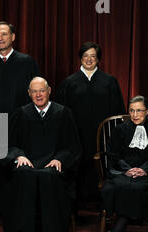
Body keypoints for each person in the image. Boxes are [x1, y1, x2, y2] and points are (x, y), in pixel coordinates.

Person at [0, 77, 81, 232]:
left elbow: (73, 147)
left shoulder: (63, 113)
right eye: (34, 91)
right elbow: (7, 144)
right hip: (27, 164)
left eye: (42, 90)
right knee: (22, 174)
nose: (38, 95)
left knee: (51, 176)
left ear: (49, 90)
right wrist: (18, 156)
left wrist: (60, 159)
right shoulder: (21, 113)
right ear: (29, 93)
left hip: (53, 165)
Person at [0, 21, 40, 217]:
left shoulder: (27, 62)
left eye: (4, 34)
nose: (0, 38)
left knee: (19, 164)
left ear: (13, 37)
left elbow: (36, 95)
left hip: (20, 124)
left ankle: (19, 206)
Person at [56, 42, 125, 207]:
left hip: (103, 136)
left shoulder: (109, 81)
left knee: (101, 167)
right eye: (85, 56)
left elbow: (118, 112)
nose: (89, 59)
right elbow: (61, 114)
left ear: (98, 59)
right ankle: (76, 204)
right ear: (80, 58)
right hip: (77, 135)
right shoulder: (69, 83)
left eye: (93, 56)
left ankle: (104, 203)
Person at [100, 96, 148, 232]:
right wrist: (127, 169)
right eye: (132, 110)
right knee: (119, 185)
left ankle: (118, 229)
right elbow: (113, 154)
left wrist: (144, 169)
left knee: (135, 186)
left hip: (147, 174)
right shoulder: (120, 130)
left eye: (139, 110)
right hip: (123, 171)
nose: (135, 115)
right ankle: (121, 229)